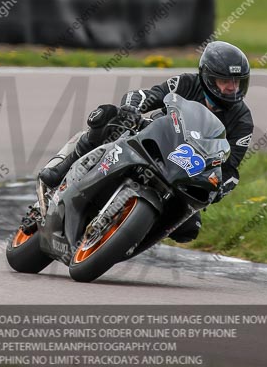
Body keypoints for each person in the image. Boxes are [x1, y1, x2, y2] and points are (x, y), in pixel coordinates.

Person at [36, 41, 254, 243]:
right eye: (225, 81)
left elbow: (230, 166)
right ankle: (62, 169)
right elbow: (149, 95)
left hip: (184, 172)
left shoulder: (243, 120)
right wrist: (132, 108)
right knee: (109, 116)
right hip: (155, 141)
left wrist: (218, 188)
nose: (230, 88)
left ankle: (127, 239)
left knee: (189, 228)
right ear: (207, 76)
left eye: (236, 82)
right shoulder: (187, 83)